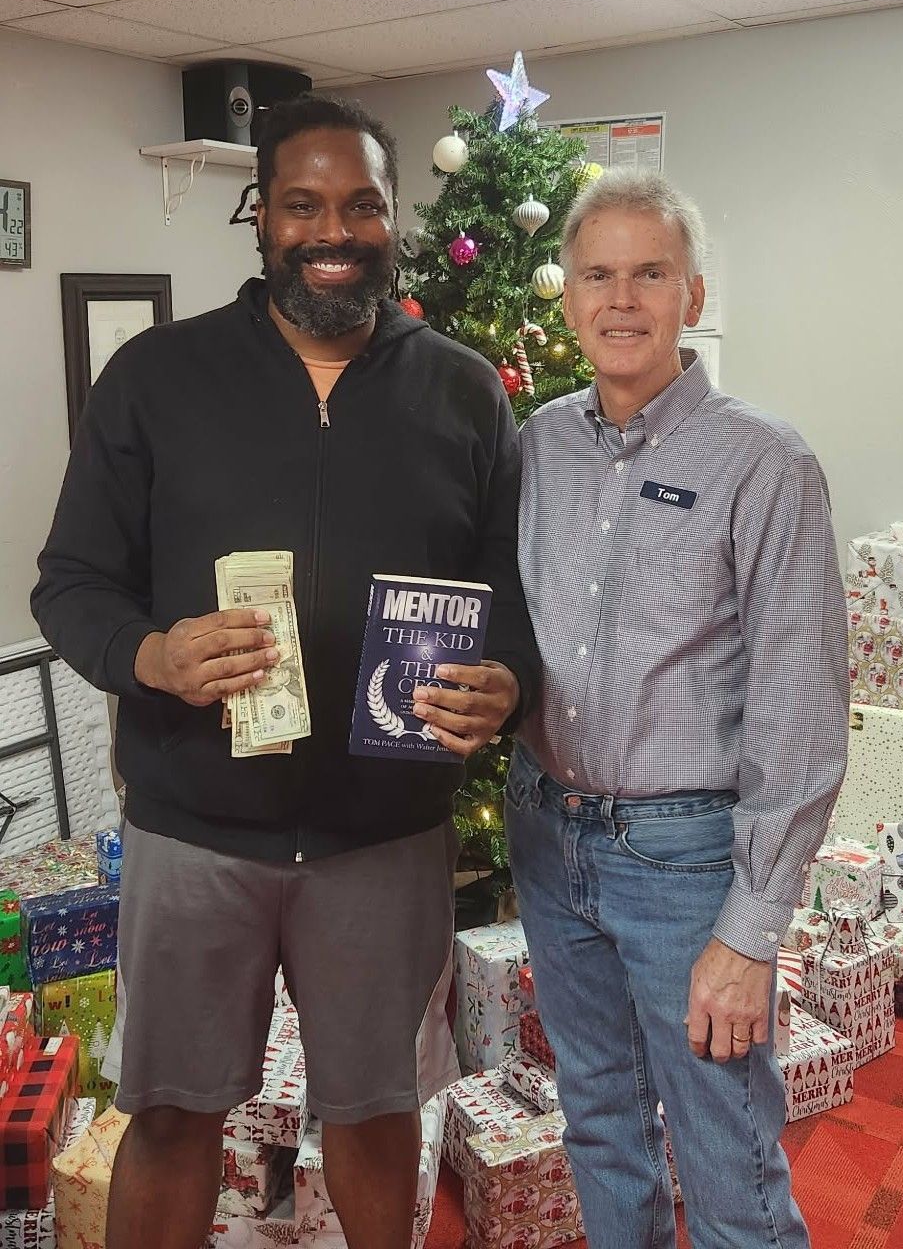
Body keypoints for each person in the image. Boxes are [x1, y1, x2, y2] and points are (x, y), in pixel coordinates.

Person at [31, 94, 539, 1249]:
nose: (334, 230)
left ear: (393, 217)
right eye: (303, 204)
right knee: (170, 1115)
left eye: (361, 205)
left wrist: (507, 679)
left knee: (373, 1113)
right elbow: (70, 584)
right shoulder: (157, 378)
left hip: (382, 841)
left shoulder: (464, 389)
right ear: (262, 218)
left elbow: (510, 588)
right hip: (195, 832)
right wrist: (151, 654)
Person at [503, 168, 849, 1248]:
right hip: (547, 839)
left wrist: (750, 932)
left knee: (726, 1154)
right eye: (597, 274)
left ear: (691, 297)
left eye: (649, 273)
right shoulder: (535, 447)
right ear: (565, 299)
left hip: (685, 861)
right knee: (597, 1121)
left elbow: (799, 706)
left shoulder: (764, 462)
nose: (621, 299)